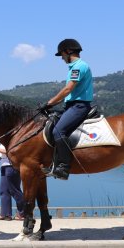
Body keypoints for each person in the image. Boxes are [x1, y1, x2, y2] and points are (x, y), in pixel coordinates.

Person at [42, 38, 93, 180]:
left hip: (79, 106)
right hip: (71, 106)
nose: (62, 58)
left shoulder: (78, 67)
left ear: (68, 51)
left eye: (62, 55)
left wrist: (50, 103)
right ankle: (54, 163)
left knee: (59, 131)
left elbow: (68, 89)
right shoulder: (75, 67)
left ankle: (63, 167)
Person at [0, 143, 24, 221]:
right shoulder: (3, 140)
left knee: (15, 191)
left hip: (12, 166)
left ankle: (23, 213)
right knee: (4, 191)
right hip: (4, 166)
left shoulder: (14, 139)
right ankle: (5, 214)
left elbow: (10, 152)